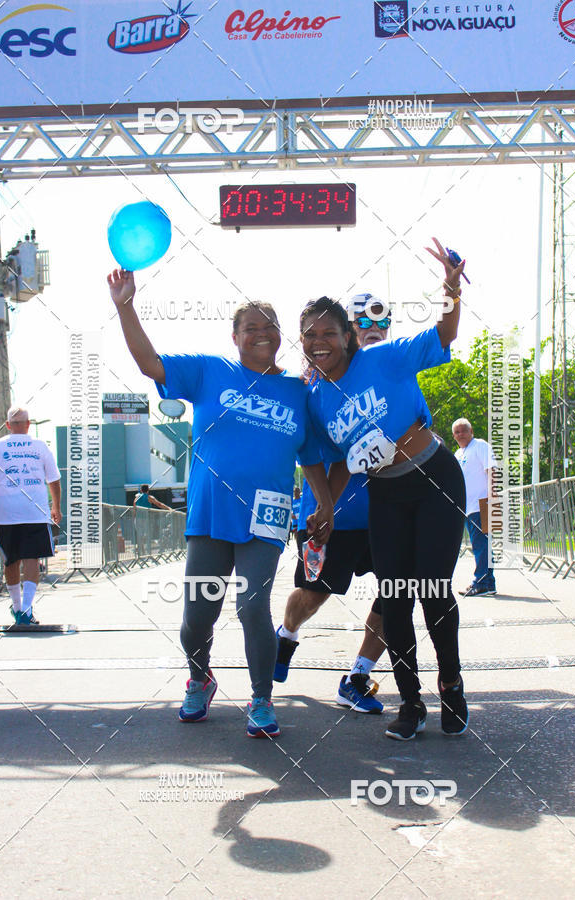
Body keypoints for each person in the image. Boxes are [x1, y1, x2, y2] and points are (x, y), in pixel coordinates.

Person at [108, 269, 333, 739]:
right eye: (250, 326)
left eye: (269, 324)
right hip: (210, 511)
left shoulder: (298, 393)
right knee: (197, 614)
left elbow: (311, 458)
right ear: (235, 337)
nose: (261, 332)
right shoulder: (210, 371)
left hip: (267, 513)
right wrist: (126, 306)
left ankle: (261, 699)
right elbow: (150, 363)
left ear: (279, 335)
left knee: (253, 607)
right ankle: (200, 677)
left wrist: (326, 505)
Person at [302, 239, 469, 741]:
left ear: (348, 336)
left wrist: (451, 286)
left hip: (434, 477)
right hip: (387, 495)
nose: (319, 342)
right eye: (309, 335)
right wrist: (325, 507)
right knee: (394, 596)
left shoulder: (383, 360)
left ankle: (452, 685)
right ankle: (411, 704)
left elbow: (444, 333)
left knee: (433, 590)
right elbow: (321, 460)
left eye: (329, 333)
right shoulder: (314, 398)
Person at [275, 295, 393, 715]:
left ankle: (357, 677)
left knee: (398, 592)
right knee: (313, 595)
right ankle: (285, 635)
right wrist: (325, 504)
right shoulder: (309, 390)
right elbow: (307, 453)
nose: (368, 336)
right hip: (329, 513)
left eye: (375, 331)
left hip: (385, 513)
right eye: (313, 335)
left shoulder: (386, 378)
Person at [0, 407, 62, 625]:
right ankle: (26, 609)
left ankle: (16, 608)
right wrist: (56, 507)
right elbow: (53, 479)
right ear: (28, 425)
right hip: (34, 511)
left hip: (5, 513)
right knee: (32, 558)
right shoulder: (40, 446)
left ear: (7, 425)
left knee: (11, 560)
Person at [452, 418, 498, 596]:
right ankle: (488, 583)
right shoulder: (458, 453)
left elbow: (492, 470)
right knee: (480, 545)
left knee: (481, 545)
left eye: (464, 430)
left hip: (483, 503)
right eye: (457, 432)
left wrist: (493, 496)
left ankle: (481, 583)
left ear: (471, 431)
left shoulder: (480, 445)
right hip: (468, 507)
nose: (460, 434)